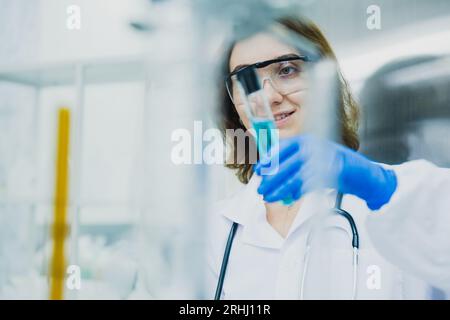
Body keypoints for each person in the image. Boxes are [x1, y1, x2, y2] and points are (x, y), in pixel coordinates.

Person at [206, 15, 450, 299]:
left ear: (325, 81)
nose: (267, 97)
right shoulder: (218, 230)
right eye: (246, 82)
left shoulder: (393, 204)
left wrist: (385, 188)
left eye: (286, 70)